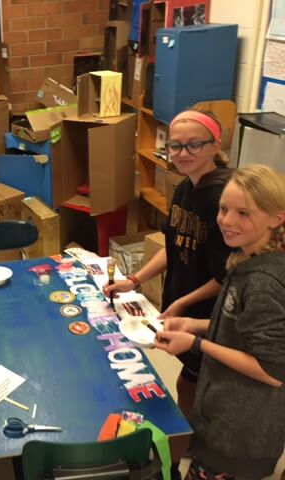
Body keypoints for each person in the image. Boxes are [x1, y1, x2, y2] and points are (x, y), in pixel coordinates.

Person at [103, 109, 233, 476]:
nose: (182, 152)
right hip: (181, 302)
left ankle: (198, 445)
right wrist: (135, 280)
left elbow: (224, 273)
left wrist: (183, 302)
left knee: (201, 381)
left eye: (194, 144)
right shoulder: (183, 188)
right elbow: (172, 246)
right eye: (175, 145)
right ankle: (189, 436)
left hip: (207, 311)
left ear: (215, 146)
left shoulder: (222, 194)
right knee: (188, 377)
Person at [154, 165, 285, 479]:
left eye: (243, 213)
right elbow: (239, 326)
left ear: (276, 218)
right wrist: (193, 325)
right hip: (223, 416)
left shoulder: (265, 280)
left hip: (240, 435)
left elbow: (272, 371)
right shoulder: (247, 257)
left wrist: (198, 343)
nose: (227, 220)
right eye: (223, 209)